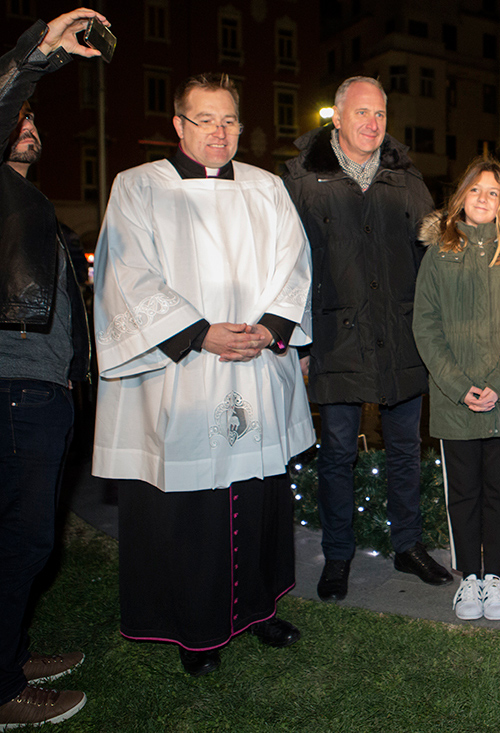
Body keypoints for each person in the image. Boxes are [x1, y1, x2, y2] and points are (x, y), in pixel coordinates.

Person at [93, 73, 314, 677]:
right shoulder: (138, 187)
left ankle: (260, 610)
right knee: (189, 508)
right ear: (178, 125)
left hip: (255, 365)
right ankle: (197, 631)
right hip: (183, 372)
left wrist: (270, 327)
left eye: (230, 121)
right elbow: (126, 274)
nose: (219, 132)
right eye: (205, 120)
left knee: (259, 497)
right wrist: (199, 334)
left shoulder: (268, 188)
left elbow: (296, 263)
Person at [283, 76, 450, 600]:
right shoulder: (303, 181)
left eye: (379, 114)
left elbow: (433, 259)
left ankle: (408, 546)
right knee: (336, 453)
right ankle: (337, 556)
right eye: (361, 113)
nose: (372, 124)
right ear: (336, 117)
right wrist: (301, 342)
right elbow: (288, 266)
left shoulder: (407, 181)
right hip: (335, 336)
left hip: (400, 335)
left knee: (406, 447)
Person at [0, 8, 106, 728]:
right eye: (19, 115)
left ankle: (10, 650)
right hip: (13, 386)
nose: (28, 123)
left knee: (28, 537)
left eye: (35, 117)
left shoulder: (35, 205)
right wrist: (37, 52)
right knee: (20, 538)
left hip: (47, 390)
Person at [412, 158, 500, 621]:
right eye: (475, 190)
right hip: (456, 400)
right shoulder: (439, 254)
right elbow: (425, 326)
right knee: (463, 491)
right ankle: (469, 577)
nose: (484, 199)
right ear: (460, 198)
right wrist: (458, 385)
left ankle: (495, 577)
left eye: (493, 192)